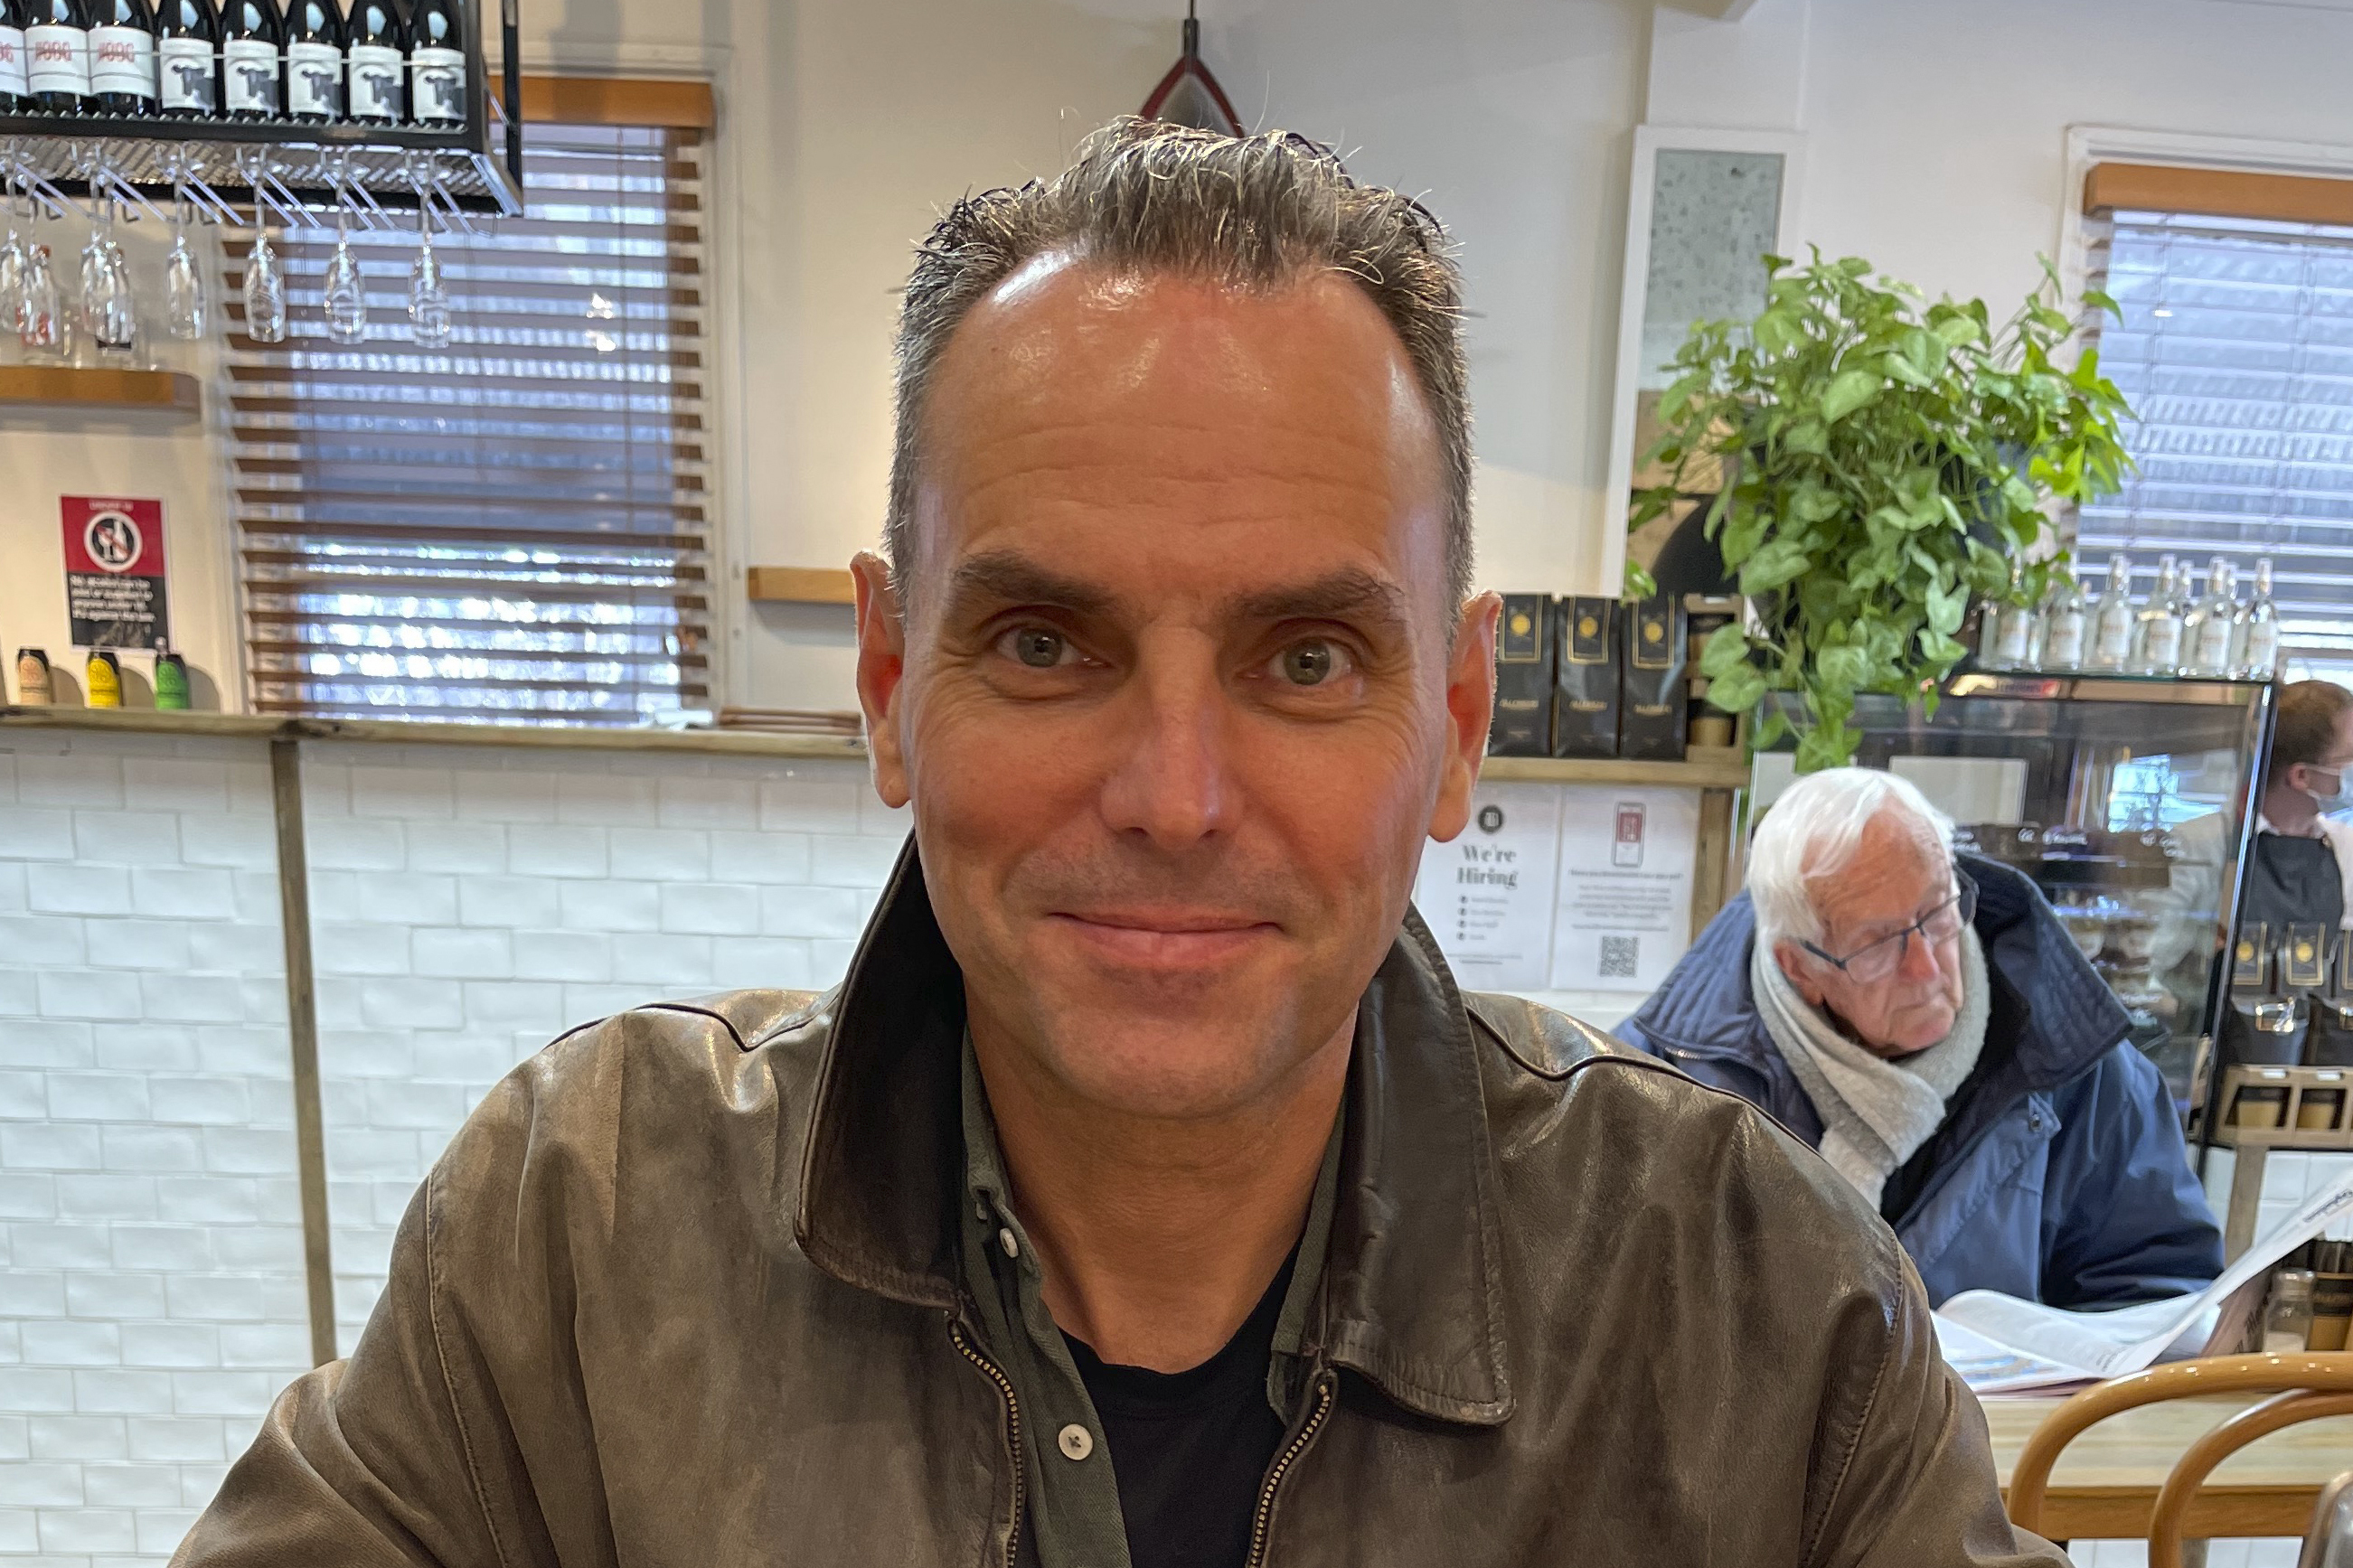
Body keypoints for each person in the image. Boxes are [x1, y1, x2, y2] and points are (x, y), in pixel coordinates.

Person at [175, 121, 2063, 1567]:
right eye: (1043, 643)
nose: (1172, 793)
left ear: (1457, 724)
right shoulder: (578, 1244)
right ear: (891, 680)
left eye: (1304, 656)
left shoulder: (1756, 1305)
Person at [1621, 767, 2222, 1310]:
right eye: (1879, 944)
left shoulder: (2082, 1067)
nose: (1928, 968)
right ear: (1800, 968)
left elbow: (2156, 1293)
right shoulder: (1655, 1082)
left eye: (1937, 915)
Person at [2158, 679, 2353, 977]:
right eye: (2350, 755)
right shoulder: (2198, 844)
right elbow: (2147, 966)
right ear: (2302, 776)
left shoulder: (2345, 846)